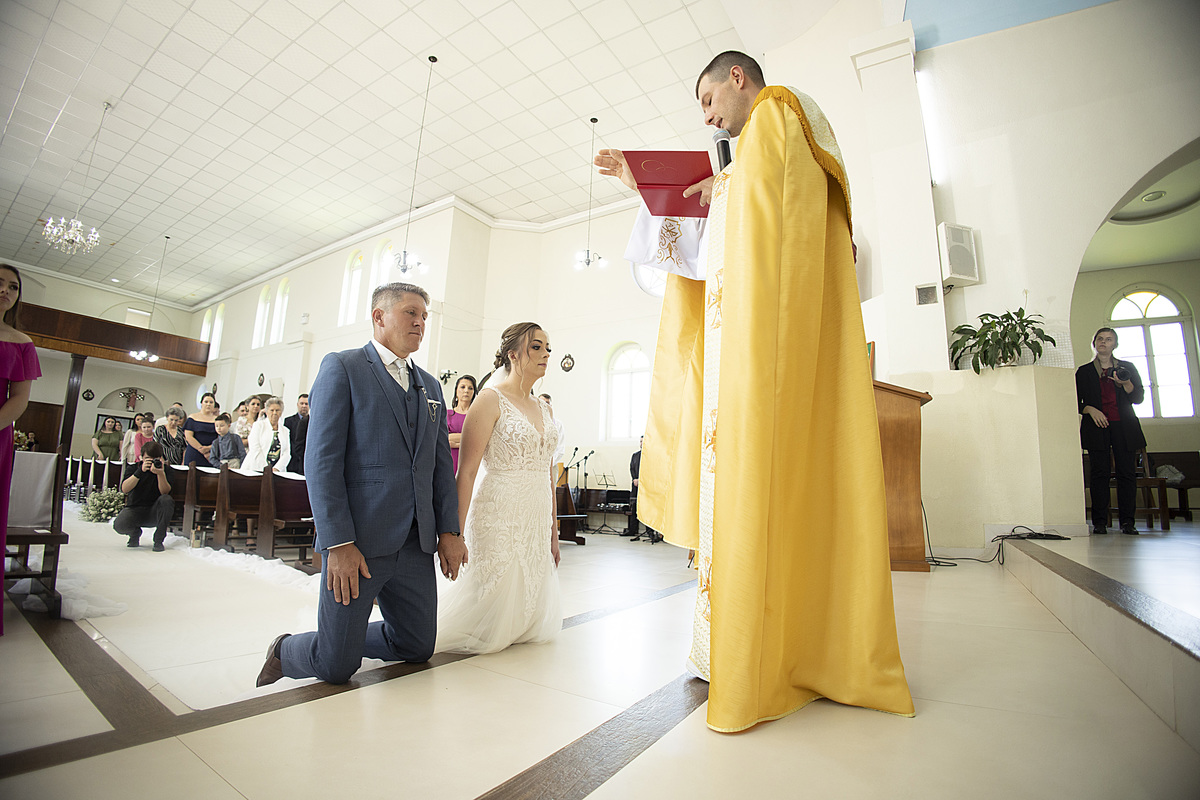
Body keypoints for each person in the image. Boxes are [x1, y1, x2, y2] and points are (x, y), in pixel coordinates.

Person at [595, 51, 913, 732]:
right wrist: (644, 185)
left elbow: (770, 210)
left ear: (737, 78)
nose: (709, 118)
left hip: (762, 357)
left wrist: (725, 186)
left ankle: (761, 656)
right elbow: (728, 230)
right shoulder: (755, 146)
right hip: (741, 351)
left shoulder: (779, 111)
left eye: (709, 100)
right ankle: (736, 645)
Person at [256, 282, 463, 687]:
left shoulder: (431, 386)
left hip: (415, 542)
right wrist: (338, 543)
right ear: (379, 316)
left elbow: (439, 467)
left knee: (417, 646)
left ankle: (343, 640)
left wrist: (449, 531)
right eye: (411, 313)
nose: (420, 323)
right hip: (359, 542)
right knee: (336, 668)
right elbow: (322, 463)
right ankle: (286, 649)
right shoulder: (343, 367)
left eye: (425, 316)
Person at [436, 322, 561, 654]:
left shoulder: (545, 408)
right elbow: (466, 473)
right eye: (536, 347)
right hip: (500, 512)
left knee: (526, 604)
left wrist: (553, 532)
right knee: (489, 608)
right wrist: (455, 534)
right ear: (513, 355)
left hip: (536, 515)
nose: (546, 354)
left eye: (548, 348)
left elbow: (547, 473)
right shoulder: (490, 400)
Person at [0, 263, 41, 635]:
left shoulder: (21, 342)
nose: (6, 291)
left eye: (13, 287)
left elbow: (19, 399)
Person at [1076, 327, 1146, 535]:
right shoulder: (1084, 371)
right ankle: (1099, 522)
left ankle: (1127, 522)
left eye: (1108, 339)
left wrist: (1126, 383)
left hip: (1124, 427)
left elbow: (1138, 398)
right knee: (1099, 474)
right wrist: (1090, 409)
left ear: (1115, 344)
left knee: (1127, 474)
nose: (1103, 342)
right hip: (1096, 427)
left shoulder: (1127, 368)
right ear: (1094, 343)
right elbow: (1074, 401)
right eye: (1100, 339)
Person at [113, 441, 174, 552]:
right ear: (141, 457)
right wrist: (139, 472)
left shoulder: (166, 470)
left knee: (166, 500)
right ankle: (134, 533)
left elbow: (165, 492)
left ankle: (158, 540)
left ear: (160, 458)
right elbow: (124, 489)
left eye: (155, 459)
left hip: (155, 511)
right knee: (119, 525)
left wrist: (160, 474)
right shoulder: (133, 468)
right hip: (135, 509)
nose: (151, 462)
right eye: (148, 459)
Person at [627, 435, 661, 543]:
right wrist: (635, 479)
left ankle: (650, 532)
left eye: (643, 441)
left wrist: (641, 480)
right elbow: (632, 468)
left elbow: (651, 471)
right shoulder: (635, 455)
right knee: (634, 508)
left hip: (647, 487)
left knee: (648, 509)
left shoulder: (651, 456)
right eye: (640, 441)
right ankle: (632, 530)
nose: (641, 443)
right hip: (635, 485)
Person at [244, 396, 290, 473]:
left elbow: (287, 453)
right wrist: (266, 469)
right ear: (267, 411)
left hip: (277, 471)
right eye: (272, 410)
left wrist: (276, 468)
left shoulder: (285, 431)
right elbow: (255, 448)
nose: (274, 413)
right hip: (257, 468)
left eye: (277, 410)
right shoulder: (258, 425)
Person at [446, 375, 476, 473]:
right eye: (463, 387)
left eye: (470, 388)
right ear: (456, 390)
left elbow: (478, 440)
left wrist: (455, 443)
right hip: (449, 461)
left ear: (474, 392)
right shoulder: (447, 414)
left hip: (470, 462)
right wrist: (467, 440)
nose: (466, 391)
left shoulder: (476, 416)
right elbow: (444, 439)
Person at [183, 392, 219, 467]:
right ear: (201, 403)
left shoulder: (218, 420)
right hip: (194, 452)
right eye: (206, 402)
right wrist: (202, 450)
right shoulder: (192, 417)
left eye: (211, 402)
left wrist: (209, 448)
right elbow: (189, 437)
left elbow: (221, 438)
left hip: (211, 453)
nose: (208, 404)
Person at [539, 392, 566, 470]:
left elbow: (560, 449)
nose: (544, 405)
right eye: (541, 402)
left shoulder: (558, 425)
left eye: (547, 403)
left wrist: (548, 464)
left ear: (551, 406)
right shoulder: (532, 421)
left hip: (552, 466)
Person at [283, 393, 309, 474]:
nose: (304, 406)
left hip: (305, 461)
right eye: (302, 403)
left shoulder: (312, 422)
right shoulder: (288, 421)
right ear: (298, 404)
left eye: (306, 404)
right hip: (292, 461)